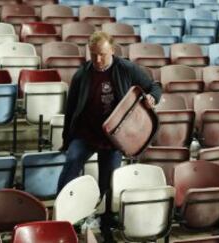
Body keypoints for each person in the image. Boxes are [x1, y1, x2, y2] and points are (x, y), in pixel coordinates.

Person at [57, 31, 162, 242]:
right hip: (86, 133)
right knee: (71, 162)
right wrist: (66, 139)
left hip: (113, 138)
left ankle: (106, 222)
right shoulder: (81, 75)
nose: (97, 59)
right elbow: (70, 110)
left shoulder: (126, 68)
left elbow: (155, 86)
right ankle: (62, 215)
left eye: (102, 54)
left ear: (112, 50)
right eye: (93, 54)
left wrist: (152, 97)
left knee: (109, 181)